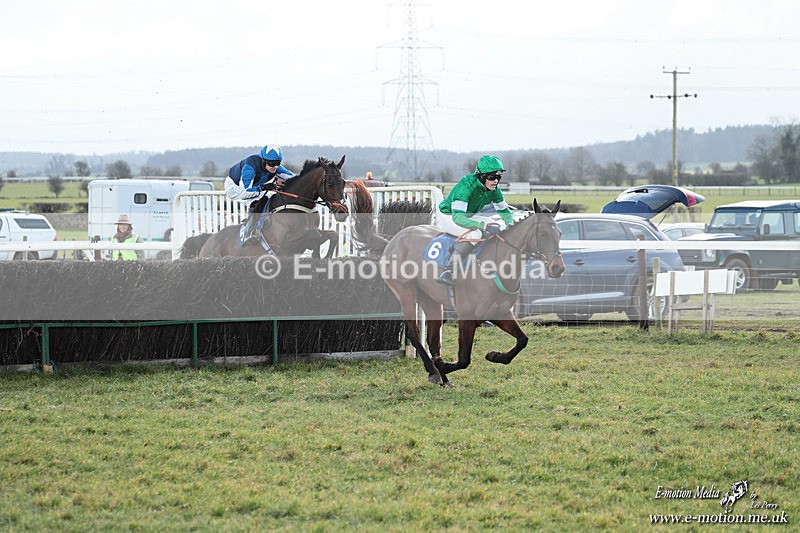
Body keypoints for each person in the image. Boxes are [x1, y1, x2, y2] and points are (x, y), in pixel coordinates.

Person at [436, 155, 515, 285]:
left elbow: (505, 213)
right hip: (449, 216)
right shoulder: (465, 186)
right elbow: (458, 217)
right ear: (481, 176)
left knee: (497, 225)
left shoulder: (495, 189)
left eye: (498, 177)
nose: (495, 181)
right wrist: (482, 226)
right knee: (476, 232)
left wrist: (512, 225)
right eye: (491, 177)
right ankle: (448, 270)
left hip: (467, 215)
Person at [224, 144, 295, 245]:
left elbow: (294, 178)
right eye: (271, 164)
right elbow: (245, 193)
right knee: (256, 201)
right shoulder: (250, 166)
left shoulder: (275, 167)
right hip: (235, 187)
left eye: (277, 163)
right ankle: (250, 232)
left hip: (252, 187)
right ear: (264, 160)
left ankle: (261, 222)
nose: (275, 167)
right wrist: (263, 187)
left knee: (272, 196)